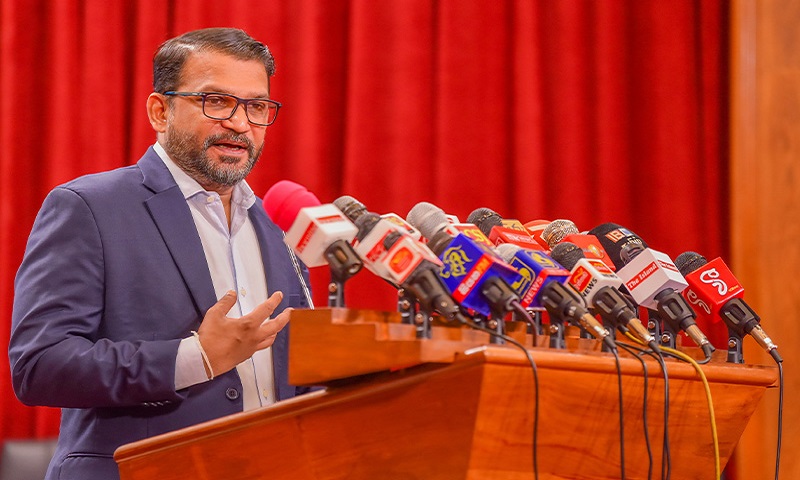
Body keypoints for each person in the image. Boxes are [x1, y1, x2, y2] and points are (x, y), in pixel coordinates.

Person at [8, 27, 313, 480]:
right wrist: (195, 358)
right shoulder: (90, 208)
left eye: (256, 106)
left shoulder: (280, 226)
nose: (240, 123)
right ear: (160, 110)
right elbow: (40, 366)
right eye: (216, 101)